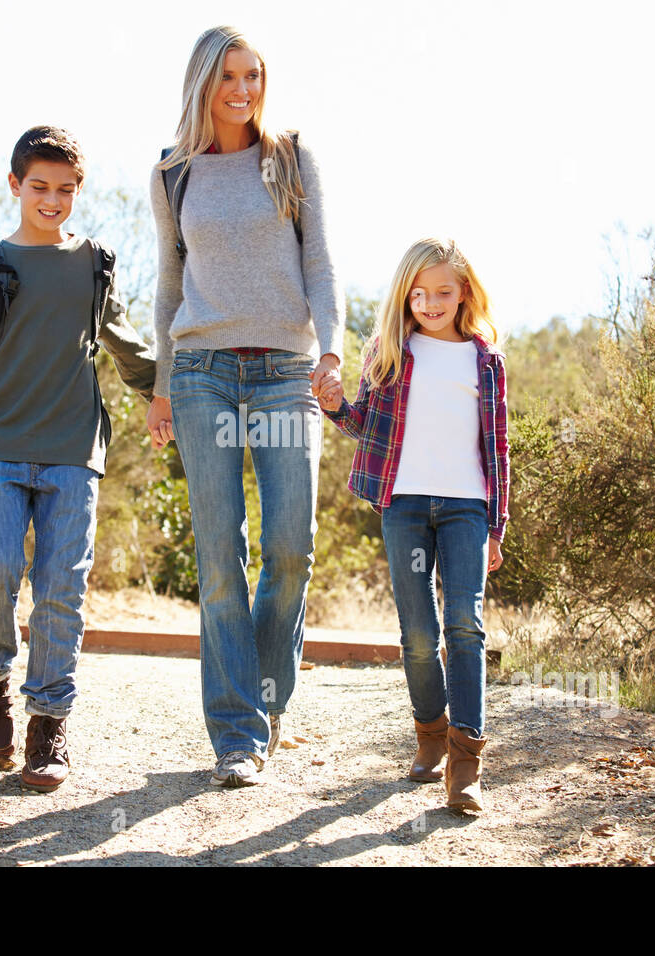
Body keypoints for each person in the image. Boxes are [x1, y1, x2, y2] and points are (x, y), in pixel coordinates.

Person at [144, 25, 344, 787]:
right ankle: (236, 735)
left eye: (254, 74)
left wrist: (330, 351)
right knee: (220, 553)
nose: (243, 88)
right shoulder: (172, 174)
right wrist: (161, 386)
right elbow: (169, 284)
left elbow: (321, 262)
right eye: (229, 75)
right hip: (201, 372)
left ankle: (266, 696)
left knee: (291, 546)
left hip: (288, 371)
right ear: (203, 81)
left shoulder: (290, 158)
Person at [0, 126, 156, 791]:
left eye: (65, 190)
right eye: (40, 187)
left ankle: (49, 725)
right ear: (15, 186)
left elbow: (124, 343)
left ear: (77, 191)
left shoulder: (94, 264)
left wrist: (164, 393)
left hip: (72, 450)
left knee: (61, 587)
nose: (52, 200)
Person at [315, 237, 510, 811]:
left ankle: (467, 763)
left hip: (466, 507)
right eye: (418, 293)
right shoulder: (390, 352)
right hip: (402, 505)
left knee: (465, 625)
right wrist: (331, 406)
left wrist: (497, 524)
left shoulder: (485, 360)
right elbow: (363, 427)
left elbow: (498, 448)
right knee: (419, 633)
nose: (429, 302)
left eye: (443, 292)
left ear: (464, 293)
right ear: (405, 295)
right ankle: (430, 734)